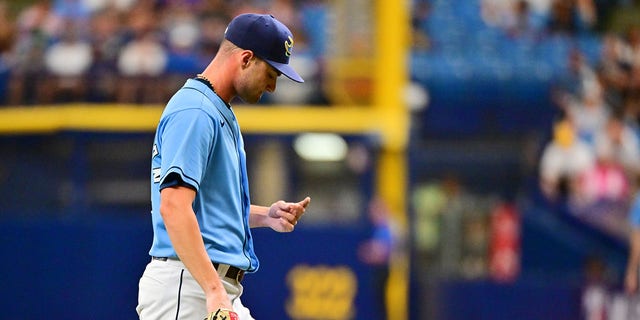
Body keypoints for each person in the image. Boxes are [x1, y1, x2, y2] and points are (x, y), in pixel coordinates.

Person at [136, 13, 311, 320]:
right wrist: (213, 291)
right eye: (271, 74)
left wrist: (265, 216)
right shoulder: (196, 111)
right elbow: (174, 207)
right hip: (189, 287)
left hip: (208, 286)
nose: (271, 87)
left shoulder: (215, 109)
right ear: (246, 58)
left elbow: (208, 208)